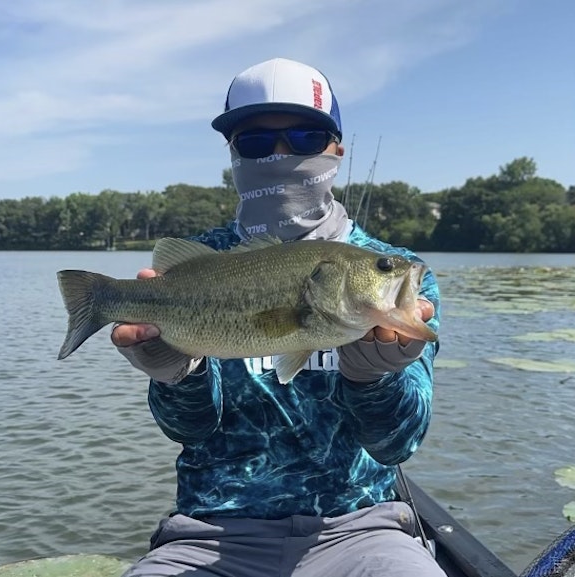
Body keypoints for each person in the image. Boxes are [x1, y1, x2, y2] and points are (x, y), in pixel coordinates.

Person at [113, 57, 443, 577]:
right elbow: (189, 431)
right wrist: (177, 375)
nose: (281, 154)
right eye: (256, 142)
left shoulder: (397, 269)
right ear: (232, 153)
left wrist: (374, 378)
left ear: (336, 148)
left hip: (362, 529)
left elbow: (396, 445)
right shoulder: (203, 265)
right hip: (209, 533)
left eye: (306, 137)